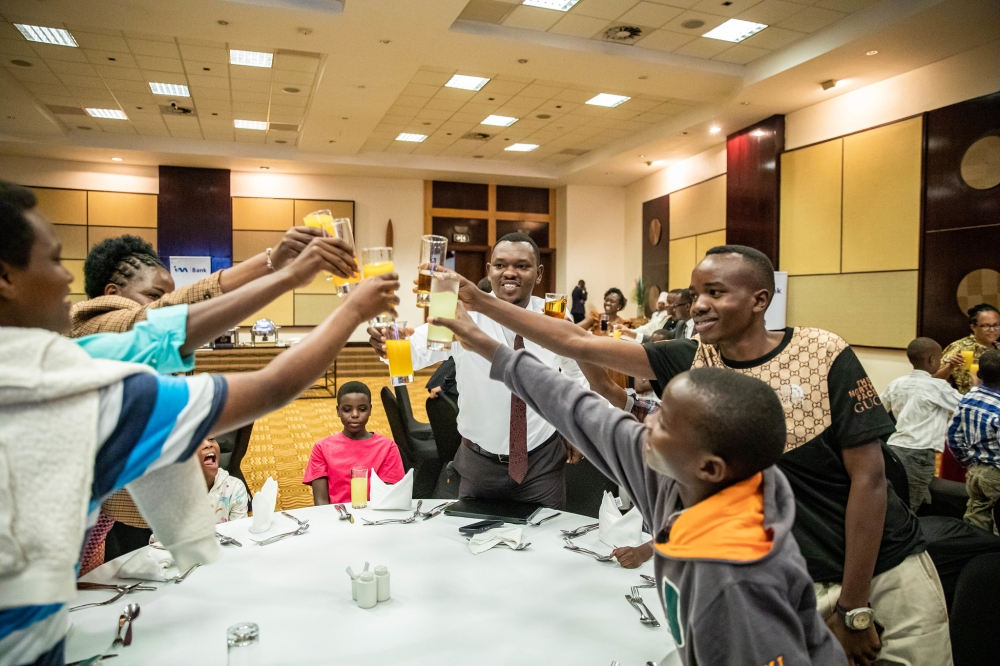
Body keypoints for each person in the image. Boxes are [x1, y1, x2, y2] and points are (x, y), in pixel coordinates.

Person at [448, 244, 950, 666]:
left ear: (760, 299)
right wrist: (478, 303)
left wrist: (855, 607)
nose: (698, 306)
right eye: (694, 295)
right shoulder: (691, 361)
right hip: (788, 576)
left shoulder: (820, 352)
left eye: (715, 293)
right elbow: (577, 349)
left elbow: (870, 480)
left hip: (878, 571)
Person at [0, 179, 400, 664]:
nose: (68, 277)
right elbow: (270, 385)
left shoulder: (71, 359)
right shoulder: (84, 390)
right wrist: (353, 308)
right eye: (53, 259)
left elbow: (166, 331)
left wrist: (284, 271)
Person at [431, 307, 846, 665]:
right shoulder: (676, 474)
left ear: (709, 466)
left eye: (664, 423)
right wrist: (480, 341)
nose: (646, 422)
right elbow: (572, 404)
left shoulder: (737, 581)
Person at [367, 233, 581, 510]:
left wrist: (575, 427)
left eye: (522, 266)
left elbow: (576, 373)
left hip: (542, 461)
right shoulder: (462, 314)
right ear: (489, 270)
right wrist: (388, 345)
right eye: (500, 265)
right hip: (480, 464)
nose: (510, 273)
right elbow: (415, 351)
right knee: (474, 535)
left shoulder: (554, 315)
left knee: (548, 533)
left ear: (539, 273)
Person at [881, 338, 962, 512]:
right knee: (908, 507)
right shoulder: (938, 387)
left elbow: (878, 411)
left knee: (905, 497)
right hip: (919, 454)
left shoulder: (896, 383)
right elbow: (966, 406)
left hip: (894, 449)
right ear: (932, 360)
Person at [303, 381, 404, 505]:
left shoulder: (387, 447)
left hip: (375, 514)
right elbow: (321, 501)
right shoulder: (322, 448)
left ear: (370, 410)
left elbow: (388, 498)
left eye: (362, 409)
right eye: (347, 410)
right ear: (338, 411)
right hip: (337, 514)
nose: (355, 415)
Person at [948, 349, 1000, 533]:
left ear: (979, 375)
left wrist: (968, 461)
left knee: (975, 523)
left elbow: (953, 435)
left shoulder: (969, 397)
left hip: (975, 472)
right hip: (997, 475)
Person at [942, 304, 1000, 394]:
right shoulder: (959, 347)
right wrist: (949, 367)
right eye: (986, 326)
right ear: (973, 327)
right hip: (966, 399)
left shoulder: (998, 347)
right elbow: (932, 381)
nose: (992, 330)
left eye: (996, 325)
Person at [199, 438, 249, 523]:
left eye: (211, 439)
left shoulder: (235, 488)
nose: (208, 445)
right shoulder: (176, 492)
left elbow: (239, 529)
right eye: (198, 442)